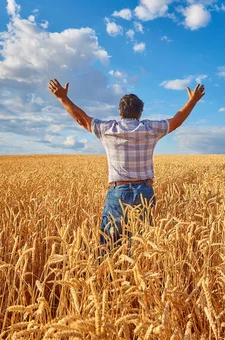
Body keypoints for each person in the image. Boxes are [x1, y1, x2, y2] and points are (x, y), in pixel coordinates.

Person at [48, 78, 205, 252]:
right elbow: (177, 120)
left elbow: (82, 120)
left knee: (110, 244)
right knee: (142, 245)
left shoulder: (108, 129)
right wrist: (193, 101)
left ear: (120, 112)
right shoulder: (151, 129)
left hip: (118, 192)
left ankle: (107, 275)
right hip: (144, 193)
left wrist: (62, 98)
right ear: (140, 112)